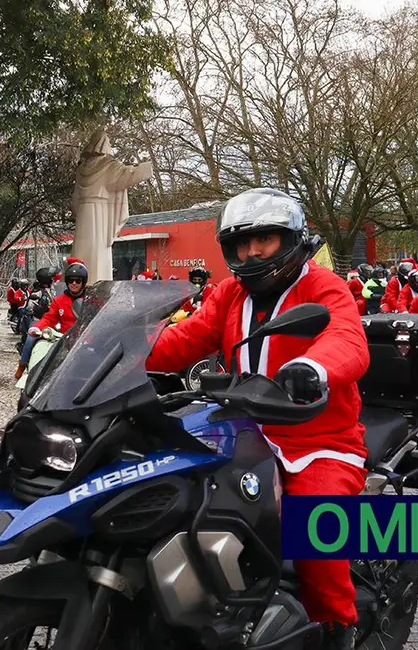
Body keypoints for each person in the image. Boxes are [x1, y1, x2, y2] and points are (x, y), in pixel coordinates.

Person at [144, 188, 368, 649]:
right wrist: (117, 351)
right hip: (242, 432)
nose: (252, 252)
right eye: (241, 243)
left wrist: (314, 367)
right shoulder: (229, 294)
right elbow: (184, 339)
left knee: (316, 528)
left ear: (292, 238)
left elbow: (346, 338)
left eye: (264, 238)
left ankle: (336, 628)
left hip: (319, 439)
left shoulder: (322, 286)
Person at [15, 260, 88, 380]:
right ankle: (30, 376)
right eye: (70, 280)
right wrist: (36, 328)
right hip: (63, 340)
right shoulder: (58, 300)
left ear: (83, 282)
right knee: (42, 357)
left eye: (78, 281)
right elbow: (49, 318)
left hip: (86, 340)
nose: (74, 283)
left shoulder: (91, 299)